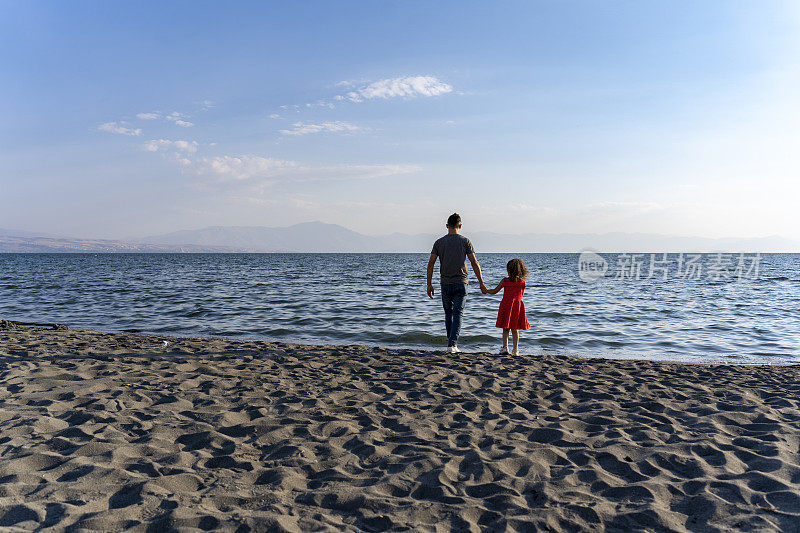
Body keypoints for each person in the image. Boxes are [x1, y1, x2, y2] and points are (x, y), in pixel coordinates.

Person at [427, 213, 487, 353]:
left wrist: (429, 284)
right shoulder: (465, 241)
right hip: (461, 282)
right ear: (460, 226)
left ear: (447, 226)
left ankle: (450, 344)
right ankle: (452, 345)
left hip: (445, 283)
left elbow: (431, 264)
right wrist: (481, 282)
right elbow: (474, 263)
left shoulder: (439, 242)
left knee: (448, 314)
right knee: (458, 314)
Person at [485, 258, 531, 355]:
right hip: (517, 306)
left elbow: (495, 291)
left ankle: (505, 347)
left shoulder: (505, 281)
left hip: (506, 305)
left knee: (505, 328)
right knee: (515, 329)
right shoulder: (522, 283)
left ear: (509, 271)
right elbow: (521, 295)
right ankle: (515, 350)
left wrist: (486, 290)